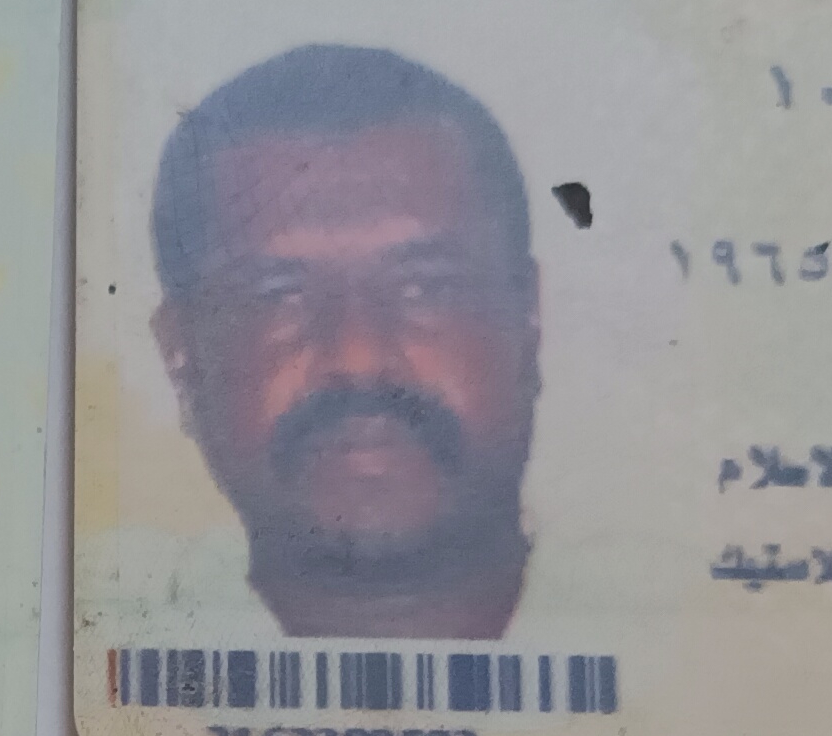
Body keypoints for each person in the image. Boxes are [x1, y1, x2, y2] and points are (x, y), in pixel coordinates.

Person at [149, 44, 541, 640]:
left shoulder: (683, 639)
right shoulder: (107, 625)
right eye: (279, 294)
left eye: (424, 287)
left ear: (529, 320)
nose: (359, 357)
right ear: (181, 356)